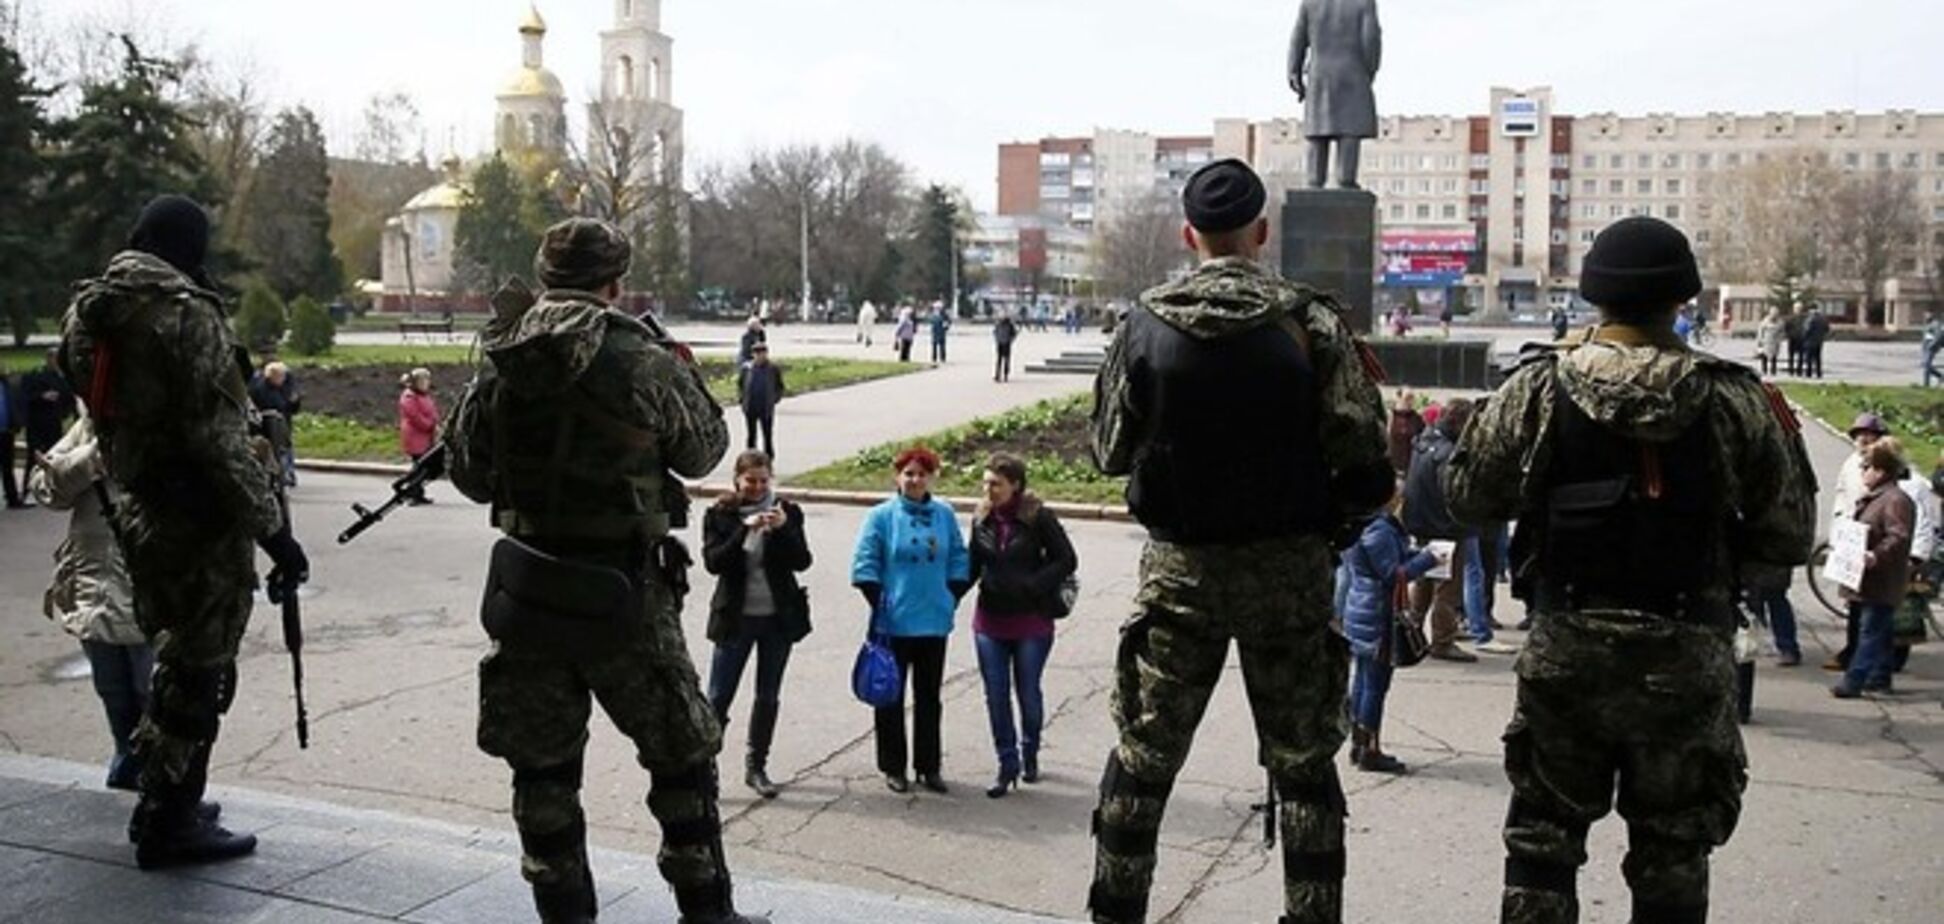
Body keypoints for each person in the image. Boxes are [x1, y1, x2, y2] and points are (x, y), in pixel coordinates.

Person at [1446, 216, 1816, 924]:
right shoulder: (1736, 396)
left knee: (1543, 844)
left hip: (1568, 646)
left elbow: (1468, 497)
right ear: (1683, 299)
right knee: (1673, 851)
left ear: (1593, 298)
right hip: (1687, 651)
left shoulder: (1539, 387)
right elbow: (1788, 534)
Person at [1086, 159, 1391, 924]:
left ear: (1190, 235)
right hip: (1288, 578)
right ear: (1261, 232)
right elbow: (1362, 452)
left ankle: (1116, 911)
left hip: (1180, 576)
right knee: (1305, 765)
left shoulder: (1144, 323)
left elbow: (1109, 452)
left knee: (1144, 759)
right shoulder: (1310, 321)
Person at [445, 218, 763, 924]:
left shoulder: (499, 357)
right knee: (680, 757)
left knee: (542, 767)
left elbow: (467, 473)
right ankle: (706, 910)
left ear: (545, 275)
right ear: (614, 284)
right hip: (626, 592)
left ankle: (563, 912)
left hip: (529, 588)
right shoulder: (638, 356)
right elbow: (704, 451)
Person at [59, 194, 307, 869]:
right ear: (188, 248)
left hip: (142, 508)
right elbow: (220, 441)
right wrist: (275, 535)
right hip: (201, 518)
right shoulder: (184, 315)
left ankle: (169, 796)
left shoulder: (90, 309)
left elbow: (90, 393)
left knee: (174, 658)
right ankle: (168, 820)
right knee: (198, 671)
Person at [30, 411, 154, 790]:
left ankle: (164, 777)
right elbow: (46, 487)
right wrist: (92, 457)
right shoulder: (92, 425)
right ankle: (126, 756)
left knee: (153, 689)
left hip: (153, 577)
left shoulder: (172, 416)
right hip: (94, 581)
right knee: (112, 685)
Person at [849, 445, 970, 795]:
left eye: (922, 474)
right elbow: (864, 562)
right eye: (909, 474)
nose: (915, 480)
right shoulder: (881, 516)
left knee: (929, 697)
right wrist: (880, 603)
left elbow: (959, 558)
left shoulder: (944, 514)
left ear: (932, 477)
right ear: (897, 477)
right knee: (890, 696)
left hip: (933, 620)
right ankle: (893, 766)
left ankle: (929, 766)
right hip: (894, 623)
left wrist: (952, 594)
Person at [701, 450, 812, 800]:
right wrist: (742, 531)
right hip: (736, 619)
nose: (757, 487)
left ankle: (757, 766)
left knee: (768, 695)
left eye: (763, 480)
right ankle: (704, 768)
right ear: (737, 480)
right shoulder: (720, 514)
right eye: (750, 480)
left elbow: (802, 561)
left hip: (777, 620)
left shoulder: (788, 512)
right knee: (719, 695)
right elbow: (714, 563)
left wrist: (781, 531)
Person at [967, 454, 1078, 798]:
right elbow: (973, 564)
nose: (989, 490)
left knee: (1028, 693)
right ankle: (1006, 765)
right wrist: (947, 595)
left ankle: (1030, 751)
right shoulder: (981, 517)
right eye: (985, 483)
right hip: (989, 622)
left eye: (996, 484)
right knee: (995, 696)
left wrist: (1034, 584)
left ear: (1015, 485)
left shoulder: (1037, 517)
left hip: (1031, 622)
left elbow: (1066, 559)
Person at [1336, 477, 1444, 774]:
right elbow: (1392, 574)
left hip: (1361, 609)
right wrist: (1429, 560)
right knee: (1375, 685)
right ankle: (1370, 748)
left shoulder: (1363, 524)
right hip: (1377, 615)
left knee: (1362, 682)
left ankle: (1359, 744)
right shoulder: (1380, 529)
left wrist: (1420, 556)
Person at [1832, 440, 1914, 698]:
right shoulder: (1877, 497)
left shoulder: (1894, 500)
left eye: (1867, 467)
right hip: (1866, 579)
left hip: (1880, 579)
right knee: (1878, 630)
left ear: (1881, 471)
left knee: (1870, 631)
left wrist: (1874, 556)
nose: (1863, 473)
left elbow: (1898, 536)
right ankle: (1880, 677)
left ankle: (1854, 681)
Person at [1403, 398, 1479, 662]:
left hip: (1422, 525)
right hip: (1446, 528)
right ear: (1458, 422)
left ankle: (1413, 629)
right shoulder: (1448, 452)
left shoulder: (1422, 443)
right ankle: (1443, 640)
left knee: (1423, 581)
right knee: (1447, 588)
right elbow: (1453, 493)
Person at [22, 347, 75, 486]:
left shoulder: (61, 377)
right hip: (37, 423)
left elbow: (69, 396)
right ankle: (28, 487)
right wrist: (42, 396)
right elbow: (26, 396)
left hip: (54, 422)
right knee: (34, 456)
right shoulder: (36, 374)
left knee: (54, 455)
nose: (56, 362)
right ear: (48, 359)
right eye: (54, 358)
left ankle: (53, 484)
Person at [248, 361, 300, 486]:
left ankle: (289, 473)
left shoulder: (283, 387)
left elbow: (290, 406)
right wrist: (289, 403)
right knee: (279, 451)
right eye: (281, 376)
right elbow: (276, 405)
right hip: (270, 426)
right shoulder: (262, 388)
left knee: (286, 448)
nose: (283, 379)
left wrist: (294, 402)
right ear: (273, 376)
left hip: (283, 424)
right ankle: (283, 474)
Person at [397, 368, 439, 505]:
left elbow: (431, 412)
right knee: (419, 466)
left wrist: (435, 423)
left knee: (423, 466)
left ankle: (418, 493)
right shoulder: (409, 397)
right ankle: (412, 493)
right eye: (423, 380)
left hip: (425, 436)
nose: (426, 383)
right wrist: (430, 425)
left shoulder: (423, 395)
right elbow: (415, 417)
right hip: (415, 436)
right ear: (415, 382)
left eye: (427, 380)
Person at [737, 342, 784, 460]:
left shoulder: (773, 368)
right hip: (750, 406)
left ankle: (768, 458)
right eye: (757, 353)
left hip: (766, 406)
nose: (760, 356)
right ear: (753, 354)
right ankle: (750, 458)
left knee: (767, 434)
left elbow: (779, 386)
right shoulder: (747, 368)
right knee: (751, 434)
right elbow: (740, 384)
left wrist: (775, 399)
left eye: (762, 353)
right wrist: (742, 399)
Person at [1385, 388, 1423, 475]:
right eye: (1407, 398)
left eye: (1412, 399)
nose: (1410, 402)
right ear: (1399, 398)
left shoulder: (1417, 418)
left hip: (1410, 466)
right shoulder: (1390, 416)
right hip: (1393, 464)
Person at [0, 372, 23, 508]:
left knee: (7, 466)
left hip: (7, 431)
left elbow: (13, 403)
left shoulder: (6, 384)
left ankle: (12, 499)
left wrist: (16, 423)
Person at [1801, 305, 1830, 379]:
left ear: (1811, 310)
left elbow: (1807, 330)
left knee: (1809, 358)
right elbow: (1827, 329)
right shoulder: (1823, 319)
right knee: (1817, 358)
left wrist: (1804, 337)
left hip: (1810, 341)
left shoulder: (1810, 319)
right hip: (1819, 341)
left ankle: (1809, 373)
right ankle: (1819, 373)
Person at [1755, 307, 1785, 377]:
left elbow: (1782, 332)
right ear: (1770, 313)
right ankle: (1764, 370)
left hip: (1775, 342)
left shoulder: (1780, 322)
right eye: (1773, 314)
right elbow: (1760, 331)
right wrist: (1760, 340)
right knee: (1764, 356)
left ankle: (1773, 371)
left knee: (1774, 357)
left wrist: (1779, 339)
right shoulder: (1765, 321)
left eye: (1776, 314)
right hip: (1766, 341)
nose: (1774, 315)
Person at [992, 311, 1019, 382]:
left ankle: (1005, 375)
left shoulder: (1009, 325)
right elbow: (995, 332)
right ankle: (998, 375)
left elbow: (1014, 334)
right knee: (1000, 360)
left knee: (1004, 360)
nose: (1002, 318)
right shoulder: (999, 324)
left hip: (1005, 343)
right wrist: (997, 339)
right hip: (1001, 343)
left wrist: (1010, 340)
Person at [1922, 315, 1944, 387]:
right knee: (1926, 365)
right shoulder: (1927, 325)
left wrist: (1932, 345)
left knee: (1927, 365)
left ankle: (1926, 384)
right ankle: (1940, 376)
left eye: (1927, 315)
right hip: (1926, 348)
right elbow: (1926, 337)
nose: (1925, 317)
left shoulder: (1935, 324)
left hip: (1932, 348)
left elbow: (1938, 336)